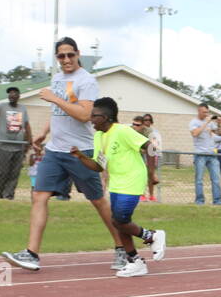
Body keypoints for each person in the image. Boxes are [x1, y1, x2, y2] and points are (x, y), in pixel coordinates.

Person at [1, 39, 123, 272]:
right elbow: (57, 112)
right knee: (39, 196)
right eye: (61, 56)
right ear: (56, 58)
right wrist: (43, 133)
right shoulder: (56, 78)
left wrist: (55, 98)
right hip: (55, 150)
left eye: (70, 55)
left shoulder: (87, 81)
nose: (66, 60)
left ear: (78, 54)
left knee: (98, 201)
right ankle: (31, 254)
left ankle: (122, 248)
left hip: (80, 151)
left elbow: (85, 114)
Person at [69, 97, 166, 278]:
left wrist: (152, 173)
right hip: (116, 183)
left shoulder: (122, 131)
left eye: (94, 116)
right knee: (119, 222)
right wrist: (80, 156)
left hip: (132, 180)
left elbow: (150, 147)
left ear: (105, 117)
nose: (90, 119)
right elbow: (99, 166)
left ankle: (152, 236)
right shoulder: (99, 136)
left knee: (119, 220)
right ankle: (135, 261)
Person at [0, 87, 33, 200]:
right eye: (10, 94)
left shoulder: (23, 108)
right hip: (4, 145)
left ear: (18, 96)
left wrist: (29, 139)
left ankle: (9, 195)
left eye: (14, 93)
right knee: (3, 171)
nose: (12, 95)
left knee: (15, 173)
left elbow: (26, 125)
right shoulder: (1, 106)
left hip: (18, 146)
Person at [189, 102, 221, 206]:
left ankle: (217, 201)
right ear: (199, 111)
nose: (206, 114)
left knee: (216, 179)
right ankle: (200, 201)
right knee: (199, 179)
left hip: (212, 154)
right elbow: (195, 133)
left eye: (207, 112)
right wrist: (206, 122)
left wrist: (220, 124)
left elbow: (218, 133)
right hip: (200, 154)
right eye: (204, 112)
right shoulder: (193, 122)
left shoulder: (211, 122)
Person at [142, 114, 162, 201]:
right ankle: (142, 195)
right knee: (142, 176)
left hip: (151, 155)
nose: (147, 121)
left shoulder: (155, 132)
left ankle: (151, 195)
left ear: (151, 121)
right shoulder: (140, 131)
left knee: (151, 175)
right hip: (141, 154)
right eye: (145, 120)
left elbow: (156, 144)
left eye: (149, 120)